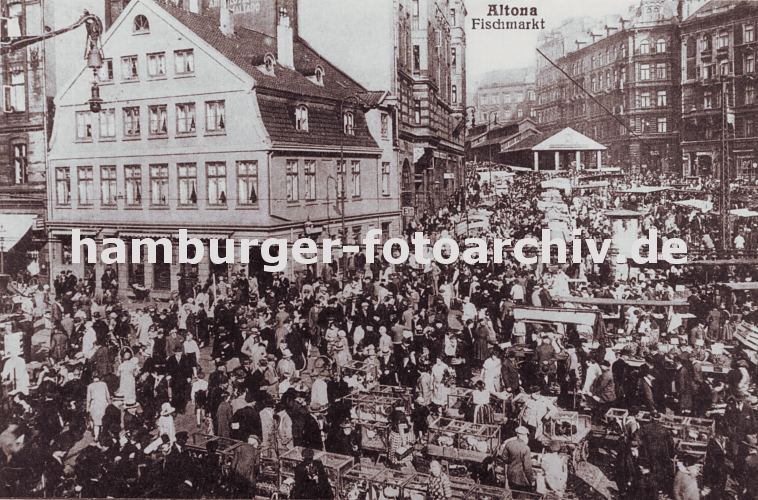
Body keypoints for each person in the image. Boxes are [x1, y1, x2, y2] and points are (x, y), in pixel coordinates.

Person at [498, 426, 535, 491]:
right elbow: (527, 468)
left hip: (510, 475)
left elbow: (504, 458)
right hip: (521, 479)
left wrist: (511, 461)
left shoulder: (509, 444)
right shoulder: (526, 448)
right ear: (524, 436)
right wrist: (532, 480)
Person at [86, 374, 110, 441]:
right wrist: (110, 404)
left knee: (96, 422)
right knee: (103, 420)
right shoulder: (104, 384)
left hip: (95, 405)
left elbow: (88, 398)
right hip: (103, 404)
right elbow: (107, 395)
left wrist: (87, 408)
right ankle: (102, 435)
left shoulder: (90, 386)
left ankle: (96, 437)